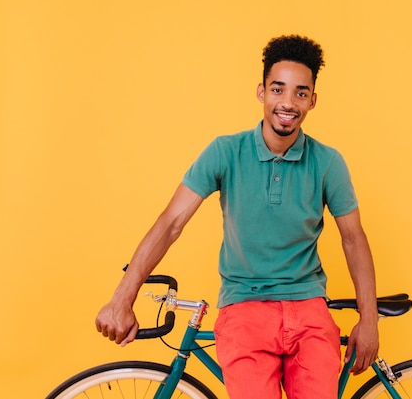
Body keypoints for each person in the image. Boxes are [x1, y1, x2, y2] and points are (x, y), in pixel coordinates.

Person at [95, 34, 379, 399]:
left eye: (300, 93)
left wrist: (368, 321)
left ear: (313, 100)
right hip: (244, 308)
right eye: (278, 89)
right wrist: (122, 298)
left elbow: (354, 239)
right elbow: (171, 222)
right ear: (261, 92)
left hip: (309, 310)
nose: (288, 103)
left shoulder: (328, 162)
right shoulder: (225, 152)